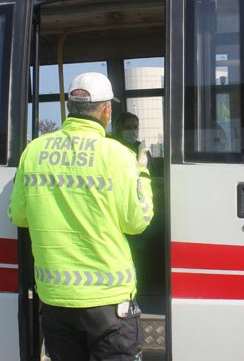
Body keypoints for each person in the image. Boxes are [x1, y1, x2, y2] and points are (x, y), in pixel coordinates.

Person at [8, 72, 153, 361]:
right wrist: (144, 173)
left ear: (68, 108)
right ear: (106, 110)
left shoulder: (33, 151)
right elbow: (137, 222)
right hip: (109, 302)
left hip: (56, 301)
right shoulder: (118, 156)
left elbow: (19, 216)